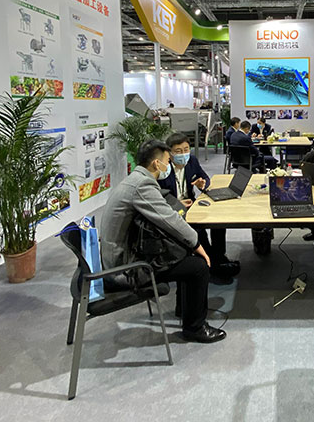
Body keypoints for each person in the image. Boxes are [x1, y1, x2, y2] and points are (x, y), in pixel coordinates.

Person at [100, 139, 226, 343]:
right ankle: (195, 328)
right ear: (156, 164)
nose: (170, 164)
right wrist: (197, 245)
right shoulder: (142, 185)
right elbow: (169, 219)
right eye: (168, 160)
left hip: (122, 255)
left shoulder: (135, 179)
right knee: (198, 266)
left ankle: (184, 309)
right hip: (124, 268)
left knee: (185, 253)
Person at [159, 132, 240, 278]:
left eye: (186, 149)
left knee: (219, 220)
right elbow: (158, 196)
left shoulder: (192, 161)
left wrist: (202, 184)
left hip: (192, 203)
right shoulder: (164, 169)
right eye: (178, 151)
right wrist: (177, 204)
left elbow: (205, 178)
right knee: (198, 231)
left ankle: (219, 256)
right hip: (173, 209)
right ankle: (212, 263)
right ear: (169, 153)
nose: (183, 154)